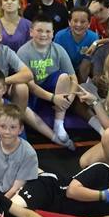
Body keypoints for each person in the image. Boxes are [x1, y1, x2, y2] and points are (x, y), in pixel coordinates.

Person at [17, 17, 77, 147]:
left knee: (64, 77)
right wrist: (53, 98)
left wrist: (70, 98)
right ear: (31, 32)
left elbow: (73, 77)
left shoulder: (58, 49)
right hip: (34, 93)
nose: (44, 35)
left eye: (48, 31)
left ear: (53, 33)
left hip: (51, 89)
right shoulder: (23, 52)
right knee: (21, 92)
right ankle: (50, 135)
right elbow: (30, 85)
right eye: (39, 31)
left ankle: (59, 124)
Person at [55, 6, 99, 74]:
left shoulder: (93, 37)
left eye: (83, 22)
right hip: (64, 71)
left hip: (85, 71)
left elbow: (90, 63)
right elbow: (56, 61)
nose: (78, 25)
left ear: (89, 24)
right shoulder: (60, 36)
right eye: (75, 21)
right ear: (69, 22)